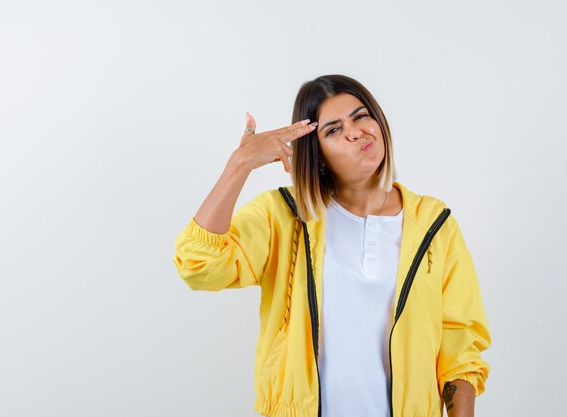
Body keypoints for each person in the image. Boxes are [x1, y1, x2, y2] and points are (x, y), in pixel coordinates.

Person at [173, 74, 491, 417]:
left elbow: (460, 346)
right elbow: (198, 265)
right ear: (319, 155)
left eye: (361, 116)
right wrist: (240, 165)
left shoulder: (434, 224)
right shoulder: (285, 216)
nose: (356, 132)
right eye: (333, 130)